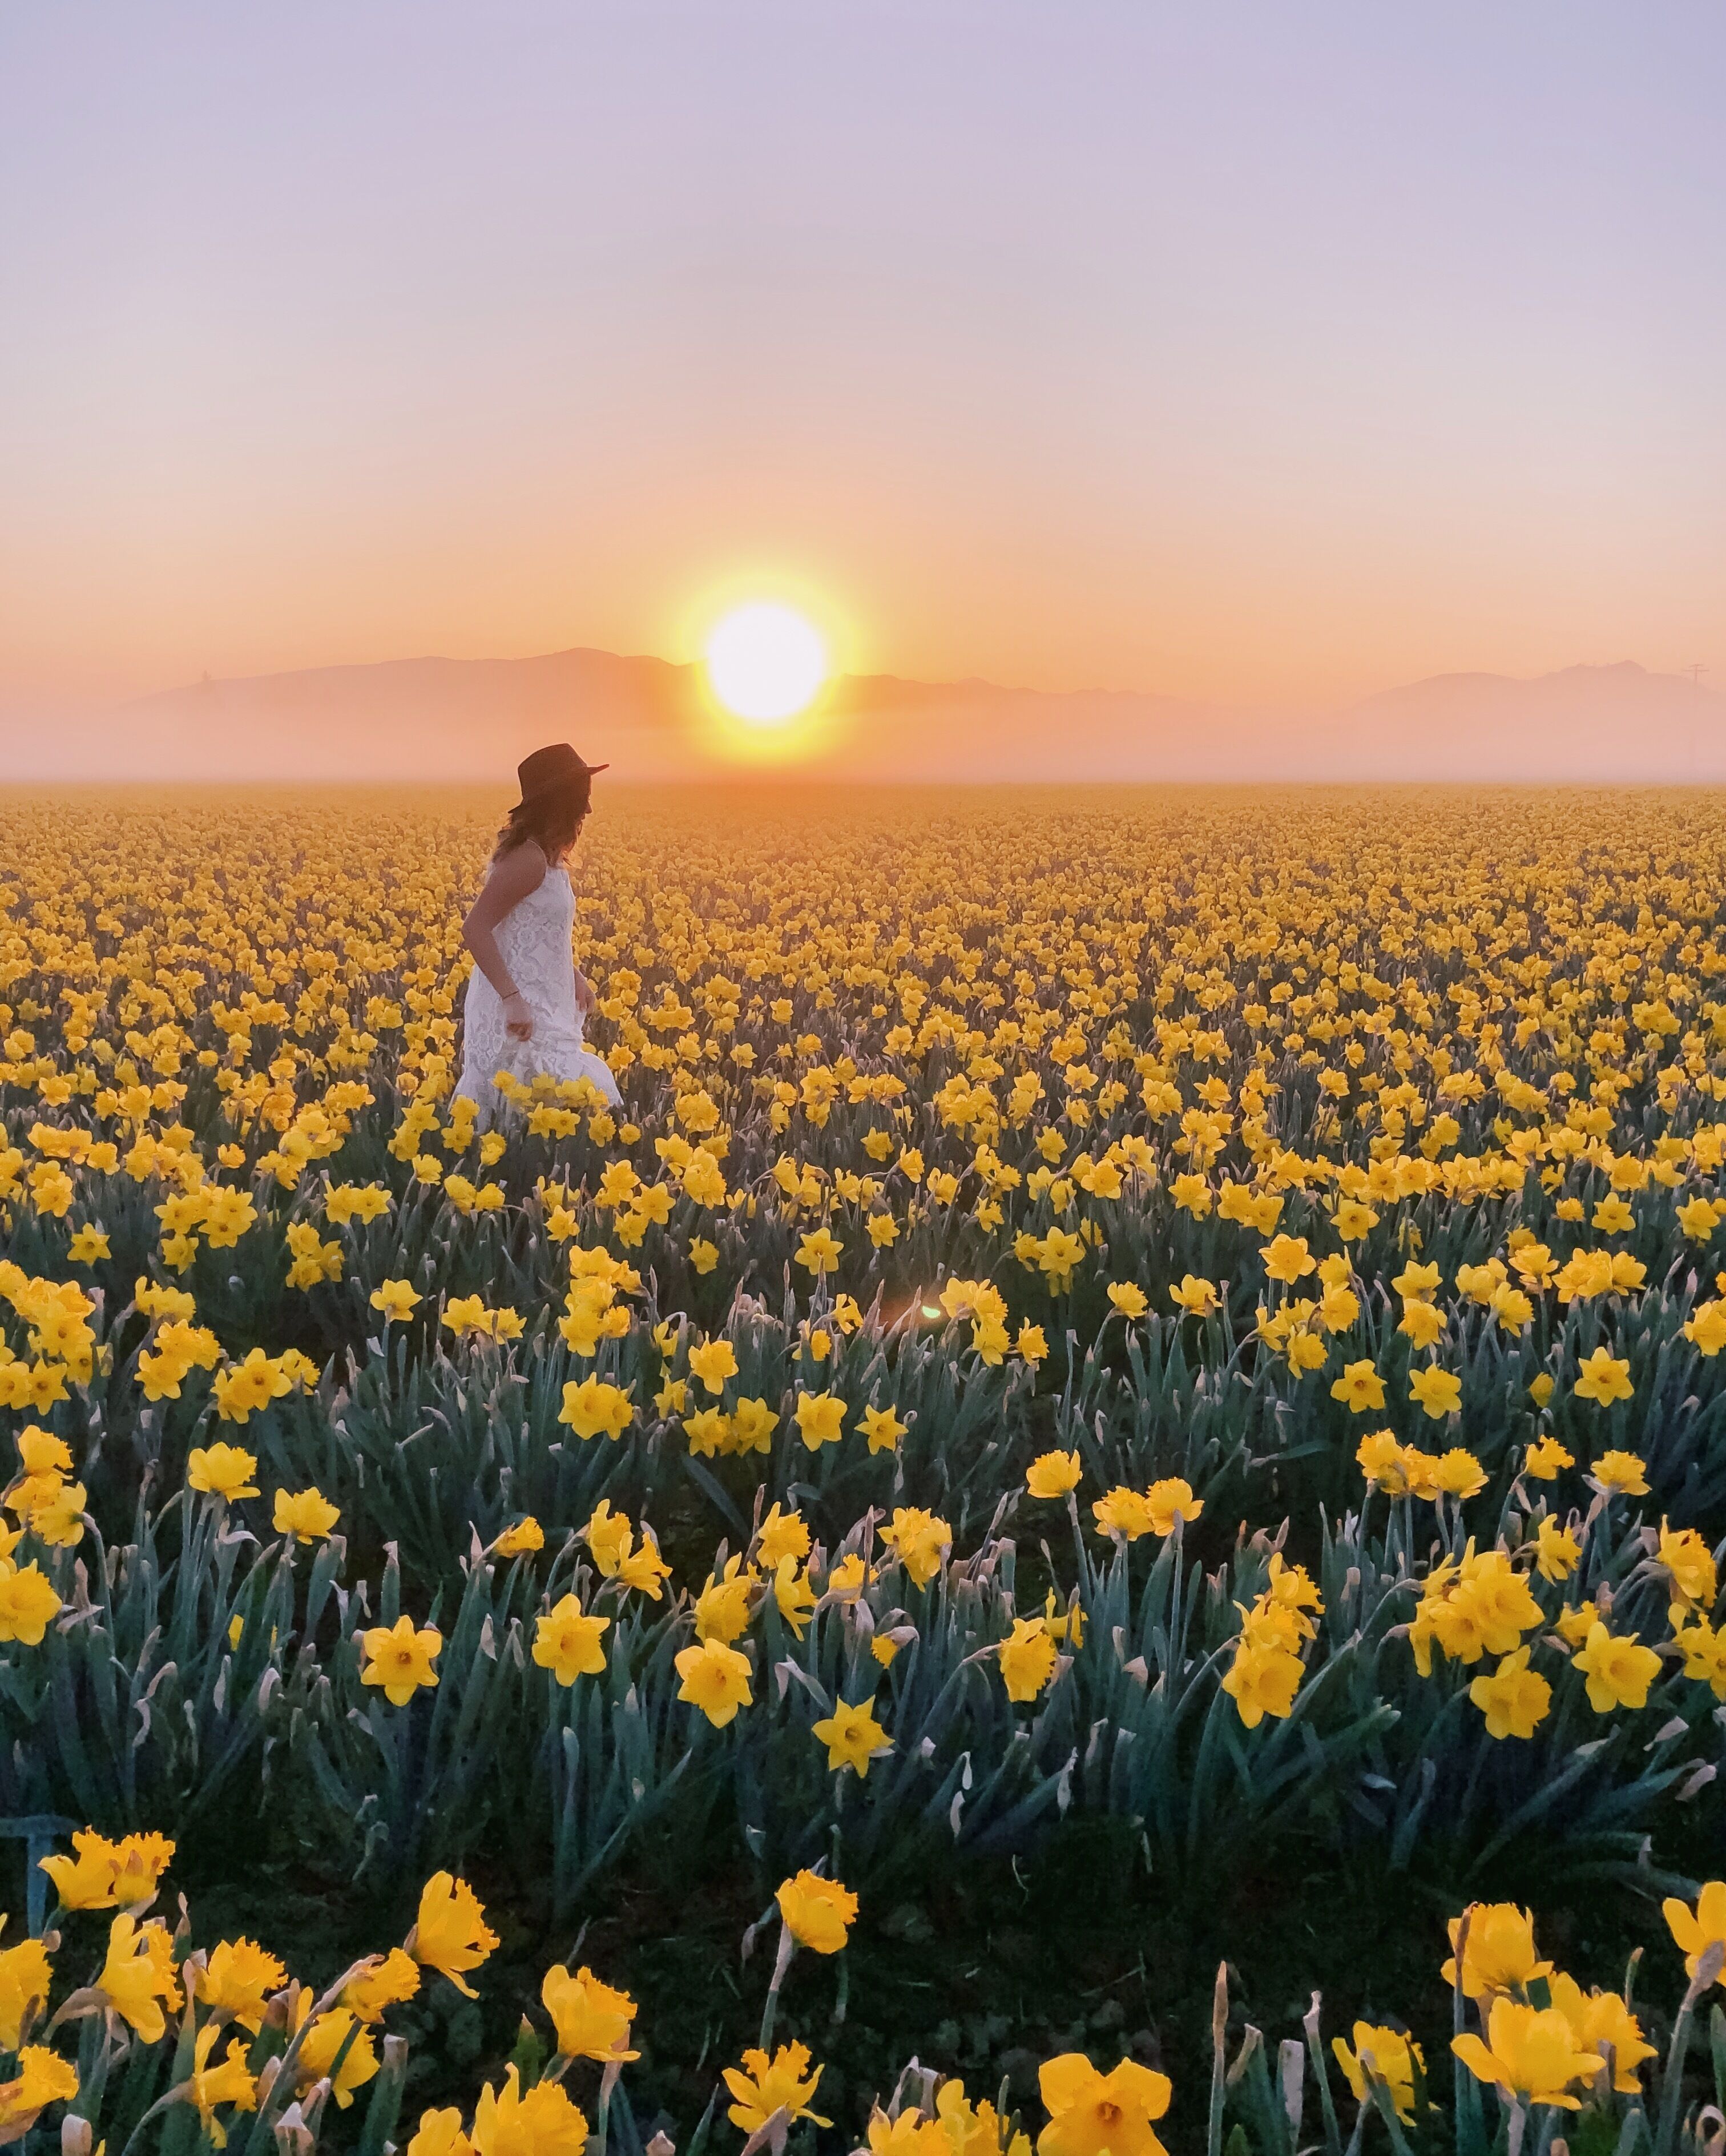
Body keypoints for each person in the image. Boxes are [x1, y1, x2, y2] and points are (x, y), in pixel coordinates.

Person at [454, 742, 622, 1123]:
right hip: (520, 1002)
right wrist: (512, 999)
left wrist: (573, 975)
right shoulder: (528, 860)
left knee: (543, 1106)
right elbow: (476, 928)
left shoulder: (547, 857)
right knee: (536, 1103)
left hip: (542, 996)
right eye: (583, 798)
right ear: (560, 802)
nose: (589, 809)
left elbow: (539, 930)